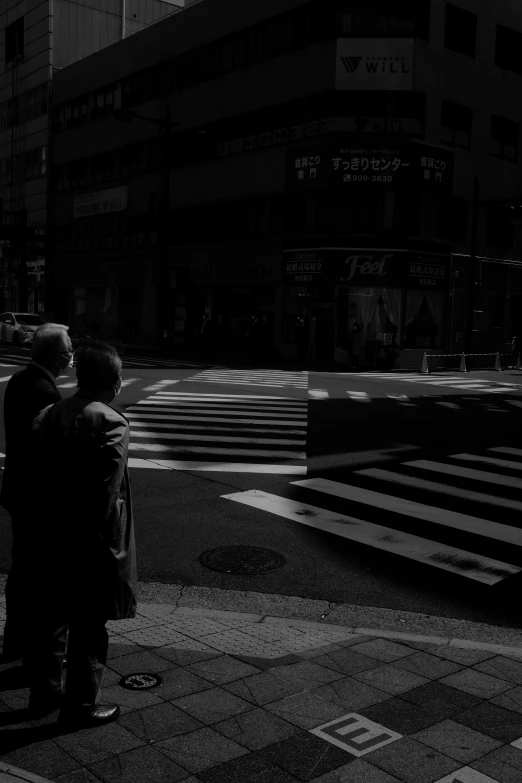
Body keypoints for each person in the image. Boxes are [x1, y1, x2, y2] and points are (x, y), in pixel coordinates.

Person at [23, 342, 137, 724]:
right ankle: (80, 706)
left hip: (44, 535)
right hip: (88, 544)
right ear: (114, 381)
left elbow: (30, 479)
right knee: (89, 626)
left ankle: (44, 696)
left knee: (49, 622)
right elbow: (105, 495)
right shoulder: (111, 423)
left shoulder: (47, 414)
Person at [0, 324, 73, 663]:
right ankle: (27, 646)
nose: (71, 355)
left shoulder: (19, 380)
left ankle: (15, 640)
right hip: (33, 496)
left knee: (22, 569)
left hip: (16, 489)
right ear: (56, 356)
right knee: (34, 573)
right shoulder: (45, 392)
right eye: (68, 349)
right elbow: (44, 453)